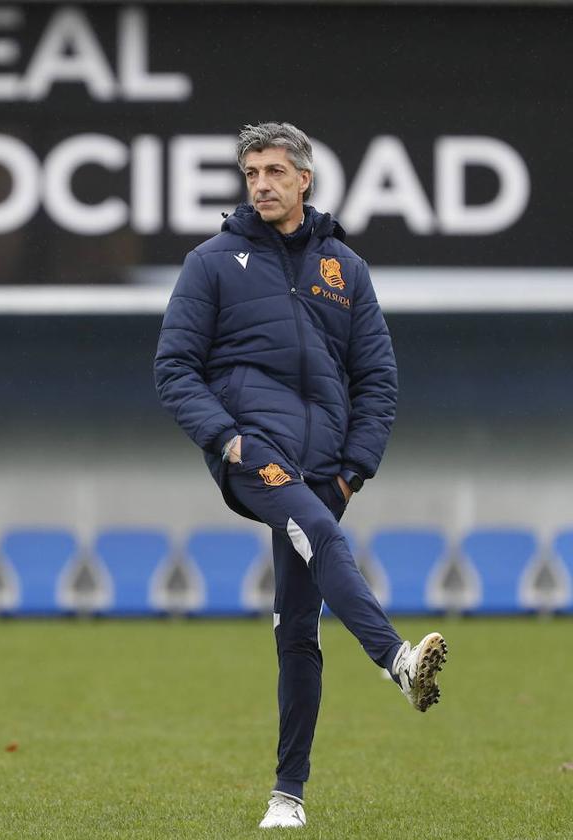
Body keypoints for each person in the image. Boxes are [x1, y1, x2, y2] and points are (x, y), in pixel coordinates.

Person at [153, 122, 448, 830]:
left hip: (326, 471)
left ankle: (287, 798)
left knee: (296, 628)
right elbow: (174, 369)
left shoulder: (345, 267)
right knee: (317, 532)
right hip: (253, 454)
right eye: (251, 171)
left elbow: (377, 377)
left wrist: (353, 471)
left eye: (275, 171)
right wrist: (226, 439)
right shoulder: (210, 263)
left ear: (304, 179)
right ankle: (397, 660)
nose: (261, 183)